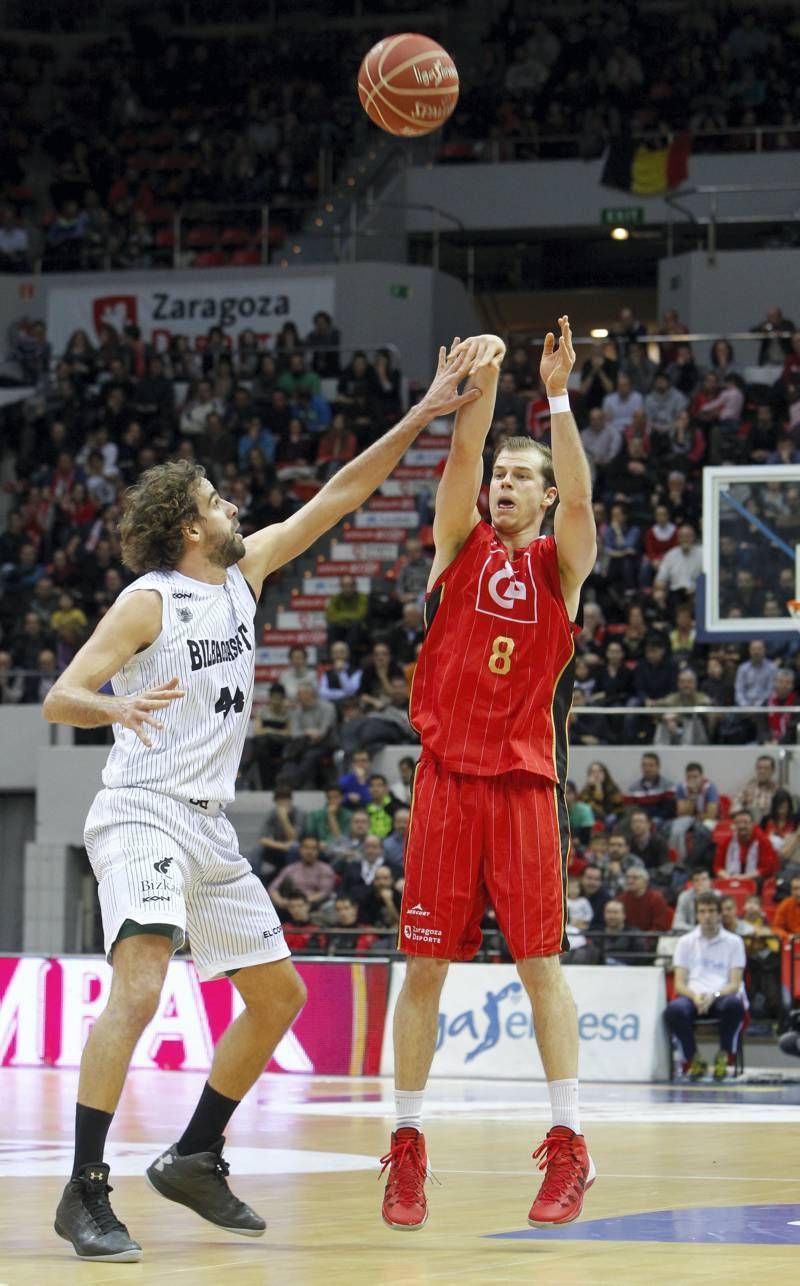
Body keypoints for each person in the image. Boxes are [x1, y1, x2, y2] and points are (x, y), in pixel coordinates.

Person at [41, 336, 482, 1261]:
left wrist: (426, 411)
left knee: (278, 996)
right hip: (141, 808)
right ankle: (84, 1189)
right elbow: (60, 696)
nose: (231, 504)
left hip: (208, 825)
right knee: (143, 981)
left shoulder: (247, 576)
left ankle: (196, 1152)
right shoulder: (148, 599)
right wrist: (116, 703)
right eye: (213, 501)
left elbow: (342, 495)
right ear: (188, 528)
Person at [381, 319, 598, 1232]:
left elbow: (585, 504)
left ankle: (570, 1143)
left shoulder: (560, 567)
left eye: (522, 478)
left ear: (543, 499)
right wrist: (483, 378)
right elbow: (465, 451)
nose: (504, 484)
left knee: (539, 965)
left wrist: (553, 397)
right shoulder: (456, 548)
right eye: (500, 477)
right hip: (444, 782)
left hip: (521, 787)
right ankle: (406, 1144)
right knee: (422, 966)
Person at [665, 891, 747, 1081]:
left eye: (711, 911)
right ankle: (694, 1059)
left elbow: (734, 984)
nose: (707, 916)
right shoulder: (685, 942)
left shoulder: (734, 942)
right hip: (693, 996)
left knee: (734, 1005)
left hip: (721, 996)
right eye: (702, 911)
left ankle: (724, 1056)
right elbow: (679, 984)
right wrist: (695, 996)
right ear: (696, 915)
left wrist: (713, 995)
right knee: (674, 1010)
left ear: (720, 914)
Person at [713, 808, 780, 880]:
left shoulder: (763, 841)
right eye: (738, 823)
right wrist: (728, 877)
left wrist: (744, 878)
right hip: (731, 879)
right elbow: (718, 867)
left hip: (756, 880)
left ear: (753, 824)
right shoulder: (727, 841)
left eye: (745, 822)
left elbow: (767, 869)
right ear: (734, 825)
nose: (742, 826)